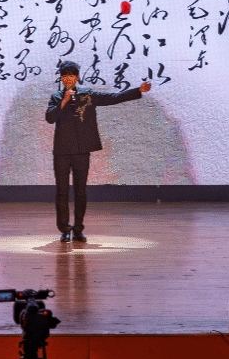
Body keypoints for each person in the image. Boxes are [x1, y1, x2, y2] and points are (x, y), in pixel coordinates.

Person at [44, 60, 151, 243]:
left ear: (77, 77)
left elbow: (113, 98)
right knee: (62, 192)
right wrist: (64, 100)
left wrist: (137, 91)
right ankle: (64, 229)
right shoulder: (56, 97)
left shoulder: (87, 94)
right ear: (61, 78)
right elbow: (49, 118)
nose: (68, 79)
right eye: (64, 76)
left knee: (80, 192)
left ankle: (78, 228)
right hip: (61, 151)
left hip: (81, 150)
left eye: (71, 75)